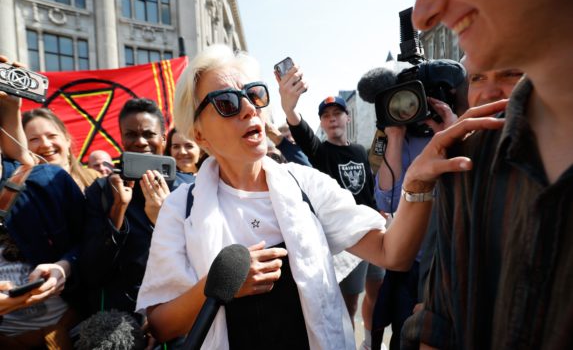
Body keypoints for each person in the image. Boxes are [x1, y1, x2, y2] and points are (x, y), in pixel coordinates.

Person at [134, 44, 504, 349]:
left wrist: (418, 183)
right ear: (199, 135)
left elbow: (392, 251)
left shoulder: (304, 184)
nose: (249, 108)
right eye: (227, 103)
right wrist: (215, 286)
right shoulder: (180, 208)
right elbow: (159, 324)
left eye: (254, 95)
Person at [401, 0, 573, 349]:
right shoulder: (468, 161)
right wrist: (414, 184)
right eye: (477, 79)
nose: (424, 13)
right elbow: (438, 324)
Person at [357, 60, 466, 350]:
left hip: (455, 262)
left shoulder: (464, 126)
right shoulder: (396, 136)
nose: (409, 108)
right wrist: (394, 136)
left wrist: (452, 136)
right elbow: (388, 201)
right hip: (413, 263)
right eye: (401, 101)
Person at [279, 63, 384, 345]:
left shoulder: (361, 151)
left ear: (347, 117)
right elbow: (299, 129)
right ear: (322, 124)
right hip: (346, 242)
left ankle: (371, 343)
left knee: (377, 296)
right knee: (347, 307)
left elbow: (370, 190)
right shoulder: (320, 151)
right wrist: (290, 108)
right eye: (326, 116)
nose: (332, 119)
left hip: (373, 231)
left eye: (337, 113)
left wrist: (381, 213)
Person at [0, 56, 86, 349]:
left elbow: (92, 247)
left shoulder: (49, 180)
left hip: (64, 332)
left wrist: (64, 267)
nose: (46, 143)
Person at [80, 98, 172, 319]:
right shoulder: (102, 190)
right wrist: (118, 210)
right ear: (121, 139)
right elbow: (90, 271)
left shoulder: (189, 188)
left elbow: (201, 260)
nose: (140, 142)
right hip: (119, 319)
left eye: (148, 134)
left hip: (175, 315)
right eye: (131, 134)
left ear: (163, 137)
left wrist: (166, 219)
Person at [22, 108, 100, 191]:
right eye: (34, 139)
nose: (45, 144)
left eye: (52, 136)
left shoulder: (95, 178)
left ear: (67, 139)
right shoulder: (23, 189)